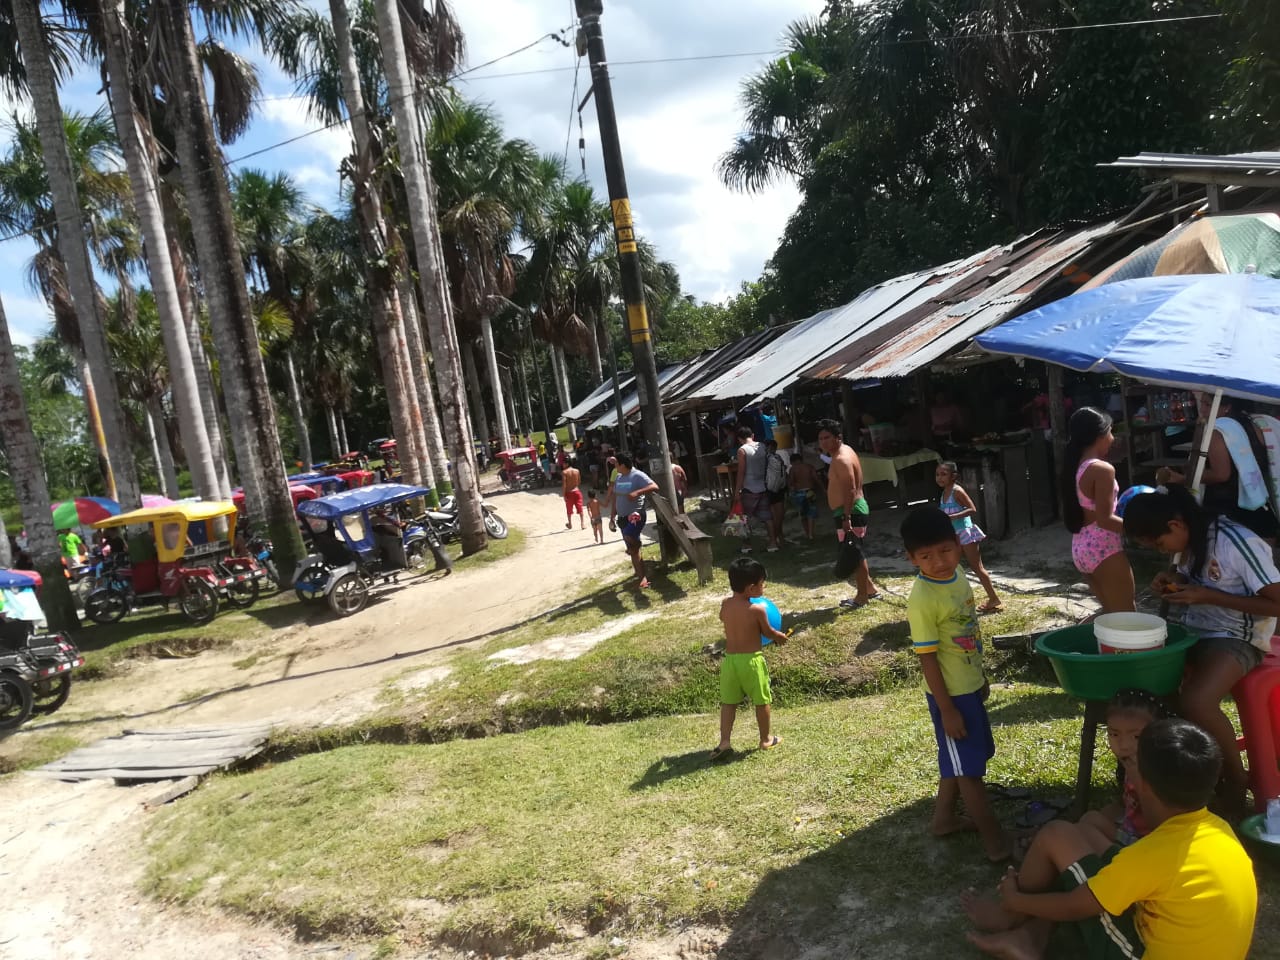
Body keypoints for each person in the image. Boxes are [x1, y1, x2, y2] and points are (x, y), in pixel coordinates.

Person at [962, 718, 1257, 960]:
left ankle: (1011, 915)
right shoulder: (1217, 830)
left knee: (1055, 835)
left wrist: (1019, 900)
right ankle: (1029, 937)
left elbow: (1075, 906)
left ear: (1142, 784)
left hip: (1137, 952)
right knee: (1081, 831)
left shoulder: (1153, 854)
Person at [1123, 484, 1280, 813]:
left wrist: (1208, 596)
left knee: (1196, 699)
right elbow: (1186, 576)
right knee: (1154, 686)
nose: (1161, 550)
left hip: (1241, 635)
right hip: (1197, 631)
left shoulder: (1236, 541)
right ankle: (1177, 777)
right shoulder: (1188, 540)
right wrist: (1170, 578)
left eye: (1160, 544)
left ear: (1176, 525)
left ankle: (1235, 779)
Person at [901, 506, 1008, 862]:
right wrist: (947, 709)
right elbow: (927, 657)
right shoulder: (922, 599)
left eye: (945, 551)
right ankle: (995, 843)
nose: (939, 561)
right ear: (911, 559)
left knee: (962, 761)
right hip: (951, 696)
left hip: (969, 684)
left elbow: (967, 631)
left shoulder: (958, 575)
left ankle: (943, 819)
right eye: (926, 556)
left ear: (959, 545)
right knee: (970, 773)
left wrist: (980, 677)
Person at [1159, 393, 1279, 541]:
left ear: (1227, 407)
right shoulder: (1258, 424)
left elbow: (1221, 474)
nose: (1202, 409)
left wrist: (1184, 478)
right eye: (1201, 403)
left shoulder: (1217, 431)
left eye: (1208, 405)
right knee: (1264, 561)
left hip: (1229, 512)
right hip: (1260, 508)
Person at [709, 557, 789, 761]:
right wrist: (779, 637)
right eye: (762, 584)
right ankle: (765, 739)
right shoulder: (757, 609)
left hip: (730, 662)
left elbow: (723, 618)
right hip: (752, 661)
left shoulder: (725, 604)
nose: (763, 587)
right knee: (762, 701)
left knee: (728, 703)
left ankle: (724, 742)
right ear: (751, 588)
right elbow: (768, 631)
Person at [1062, 407, 1134, 614]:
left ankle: (1075, 645)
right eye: (1111, 432)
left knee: (1110, 614)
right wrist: (1141, 530)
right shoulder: (1102, 469)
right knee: (1127, 616)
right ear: (1100, 434)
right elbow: (1105, 520)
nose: (1112, 438)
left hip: (1082, 548)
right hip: (1104, 547)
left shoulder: (1075, 466)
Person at [817, 419, 880, 609]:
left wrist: (847, 517)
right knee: (854, 550)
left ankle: (862, 597)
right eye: (820, 439)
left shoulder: (841, 459)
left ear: (838, 437)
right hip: (849, 510)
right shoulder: (843, 452)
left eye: (827, 437)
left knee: (855, 554)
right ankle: (870, 589)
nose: (823, 442)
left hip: (851, 511)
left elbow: (850, 490)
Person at [936, 461, 1001, 613]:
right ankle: (954, 603)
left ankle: (993, 598)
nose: (940, 478)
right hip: (952, 535)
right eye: (937, 474)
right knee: (951, 567)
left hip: (965, 533)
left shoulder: (957, 491)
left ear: (954, 476)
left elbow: (972, 509)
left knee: (977, 567)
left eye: (943, 474)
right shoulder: (943, 493)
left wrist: (953, 516)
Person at [610, 453, 659, 589]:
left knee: (630, 539)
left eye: (616, 464)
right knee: (633, 550)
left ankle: (637, 543)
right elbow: (616, 498)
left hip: (636, 515)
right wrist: (612, 516)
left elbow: (654, 486)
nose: (615, 466)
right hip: (622, 518)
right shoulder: (619, 478)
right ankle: (641, 577)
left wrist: (638, 492)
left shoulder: (637, 475)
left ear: (623, 465)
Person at [734, 425, 778, 553]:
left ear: (739, 439)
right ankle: (773, 543)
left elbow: (741, 472)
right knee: (767, 516)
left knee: (743, 518)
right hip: (763, 486)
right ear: (752, 435)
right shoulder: (762, 446)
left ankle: (747, 545)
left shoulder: (742, 450)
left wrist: (737, 491)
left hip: (749, 488)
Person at [787, 454, 822, 540]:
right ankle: (811, 534)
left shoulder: (793, 469)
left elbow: (791, 482)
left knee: (803, 514)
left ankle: (807, 533)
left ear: (793, 461)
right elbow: (816, 479)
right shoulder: (809, 467)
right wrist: (823, 489)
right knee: (811, 513)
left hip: (799, 493)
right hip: (810, 492)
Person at [764, 439, 788, 546]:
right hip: (776, 489)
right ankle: (777, 537)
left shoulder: (770, 458)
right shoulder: (774, 458)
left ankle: (776, 537)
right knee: (778, 516)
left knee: (777, 516)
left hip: (773, 488)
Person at [562, 457, 584, 530]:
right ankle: (582, 524)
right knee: (580, 508)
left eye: (564, 463)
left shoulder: (564, 472)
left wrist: (564, 494)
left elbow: (564, 485)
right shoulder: (577, 471)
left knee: (569, 509)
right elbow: (579, 481)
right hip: (577, 491)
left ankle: (570, 524)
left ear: (567, 464)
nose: (563, 465)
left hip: (569, 492)